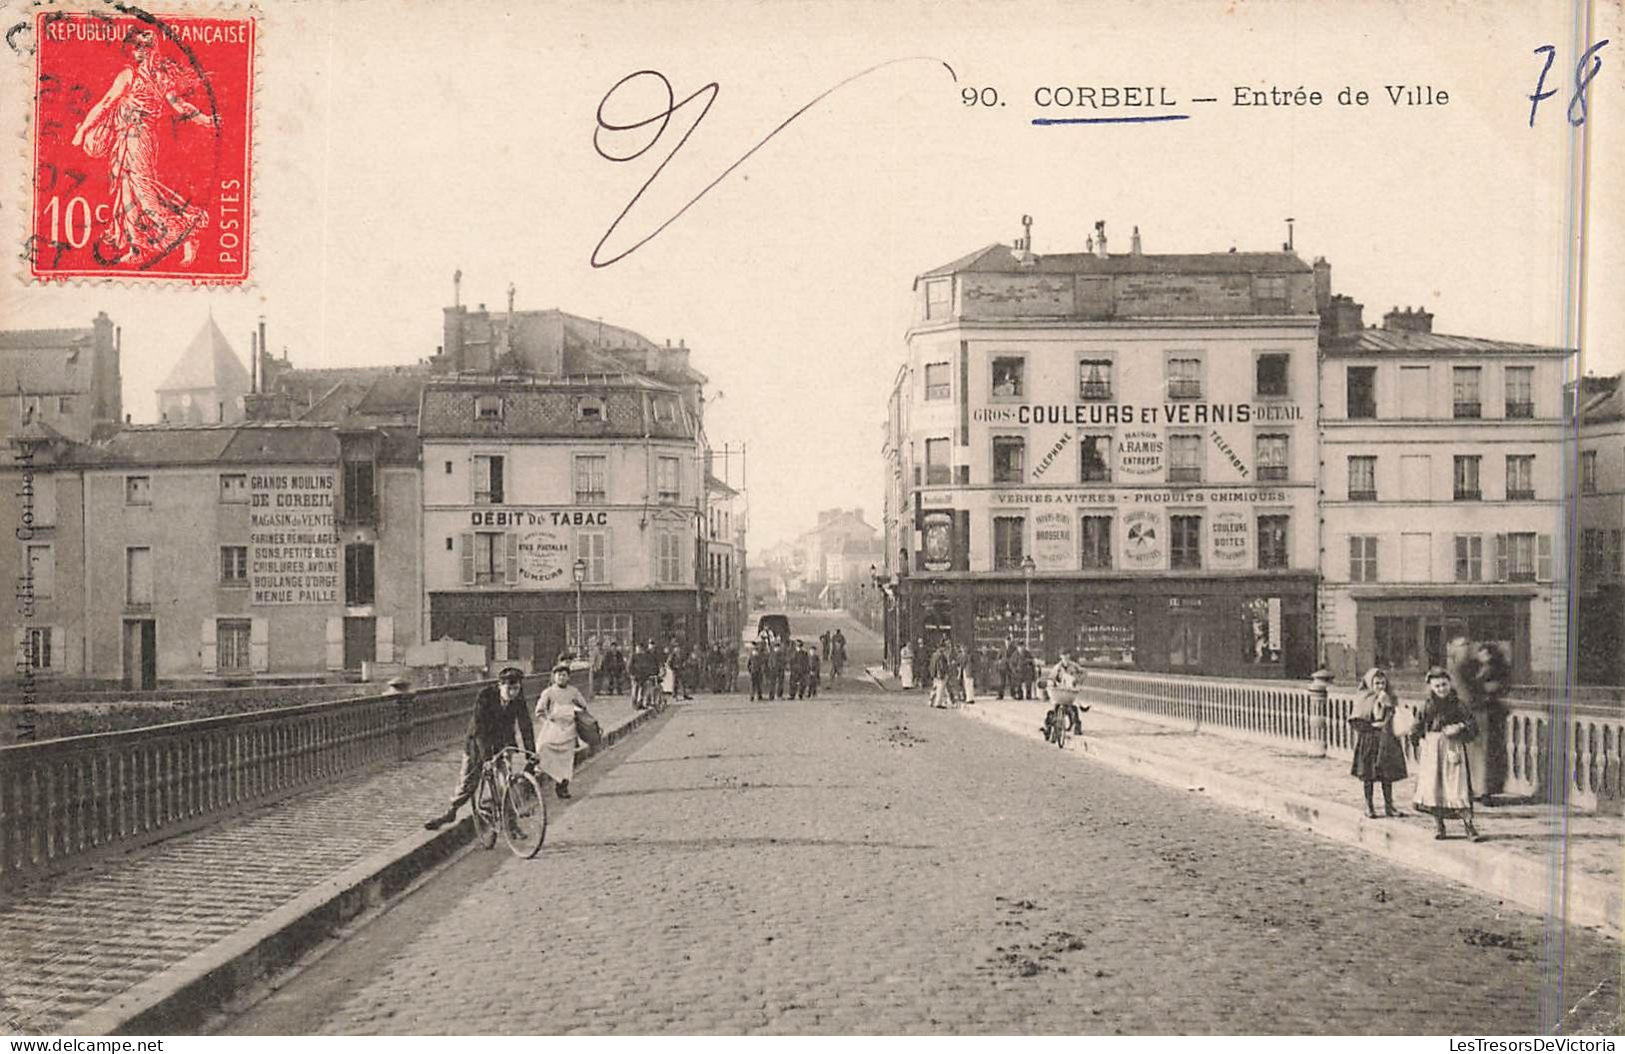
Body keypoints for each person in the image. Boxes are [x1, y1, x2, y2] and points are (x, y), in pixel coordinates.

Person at [71, 28, 213, 266]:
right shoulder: (137, 75)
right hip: (126, 140)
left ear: (150, 50)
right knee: (128, 194)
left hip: (139, 141)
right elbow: (108, 103)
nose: (135, 51)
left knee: (145, 196)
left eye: (140, 47)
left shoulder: (141, 76)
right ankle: (138, 248)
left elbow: (178, 105)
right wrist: (206, 120)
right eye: (134, 46)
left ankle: (187, 231)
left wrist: (81, 131)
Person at [426, 666, 536, 829]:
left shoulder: (518, 698)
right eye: (509, 688)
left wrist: (531, 752)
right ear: (500, 685)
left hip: (502, 742)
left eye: (516, 689)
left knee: (505, 783)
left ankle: (511, 824)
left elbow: (525, 724)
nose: (513, 693)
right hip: (478, 744)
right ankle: (451, 812)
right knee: (468, 783)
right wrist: (486, 759)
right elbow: (479, 729)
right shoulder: (485, 696)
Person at [1409, 665, 1482, 841]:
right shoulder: (1427, 706)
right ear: (1431, 688)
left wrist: (1460, 726)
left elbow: (1472, 724)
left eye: (1444, 684)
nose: (1442, 689)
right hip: (1433, 750)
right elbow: (1417, 726)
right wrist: (1416, 739)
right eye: (1437, 686)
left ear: (1450, 684)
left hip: (1453, 749)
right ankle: (1440, 826)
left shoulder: (1458, 704)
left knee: (1457, 786)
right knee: (1435, 787)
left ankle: (1469, 826)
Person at [1349, 667, 1408, 819]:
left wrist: (1388, 705)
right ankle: (1369, 806)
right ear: (1370, 684)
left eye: (1383, 683)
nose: (1380, 687)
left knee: (1387, 775)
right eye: (1376, 684)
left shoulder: (1389, 697)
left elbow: (1397, 715)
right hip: (1369, 740)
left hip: (1386, 739)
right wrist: (1371, 726)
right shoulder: (1363, 698)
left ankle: (1389, 806)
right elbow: (1356, 721)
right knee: (1368, 775)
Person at [535, 662, 595, 799]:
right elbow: (539, 711)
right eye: (559, 675)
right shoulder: (548, 692)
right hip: (553, 729)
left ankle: (562, 787)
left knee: (566, 760)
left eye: (564, 675)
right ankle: (541, 774)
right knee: (543, 748)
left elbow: (584, 706)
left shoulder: (573, 692)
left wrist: (576, 709)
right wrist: (547, 723)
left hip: (569, 730)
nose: (561, 678)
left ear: (568, 677)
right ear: (554, 677)